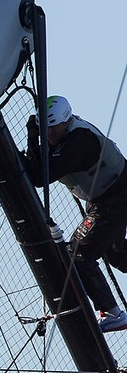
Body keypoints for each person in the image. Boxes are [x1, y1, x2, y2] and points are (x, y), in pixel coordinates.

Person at [24, 95, 127, 333]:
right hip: (106, 199)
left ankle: (112, 313)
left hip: (115, 199)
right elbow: (37, 164)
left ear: (65, 122)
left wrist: (32, 138)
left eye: (52, 128)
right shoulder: (61, 136)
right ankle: (112, 311)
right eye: (44, 129)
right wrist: (34, 139)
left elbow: (40, 176)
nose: (49, 134)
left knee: (77, 255)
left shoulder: (78, 141)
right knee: (117, 255)